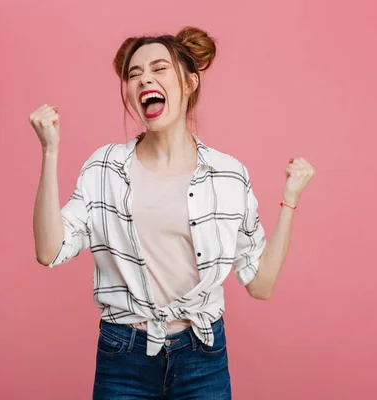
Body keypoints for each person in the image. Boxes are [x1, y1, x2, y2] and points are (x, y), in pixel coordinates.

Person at [29, 26, 315, 400]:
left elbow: (260, 285)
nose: (145, 77)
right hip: (124, 355)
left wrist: (290, 202)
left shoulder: (228, 174)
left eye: (159, 68)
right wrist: (50, 152)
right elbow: (49, 250)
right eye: (134, 74)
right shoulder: (104, 168)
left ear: (190, 82)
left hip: (203, 356)